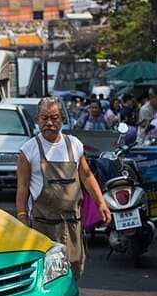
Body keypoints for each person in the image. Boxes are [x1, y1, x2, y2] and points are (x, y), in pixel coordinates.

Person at [16, 97, 112, 279]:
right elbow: (23, 186)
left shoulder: (74, 145)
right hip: (43, 227)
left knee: (73, 274)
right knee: (46, 277)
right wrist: (22, 217)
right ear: (37, 119)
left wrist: (102, 203)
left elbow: (87, 176)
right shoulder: (28, 150)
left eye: (54, 117)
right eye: (44, 118)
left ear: (63, 119)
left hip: (72, 225)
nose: (49, 123)